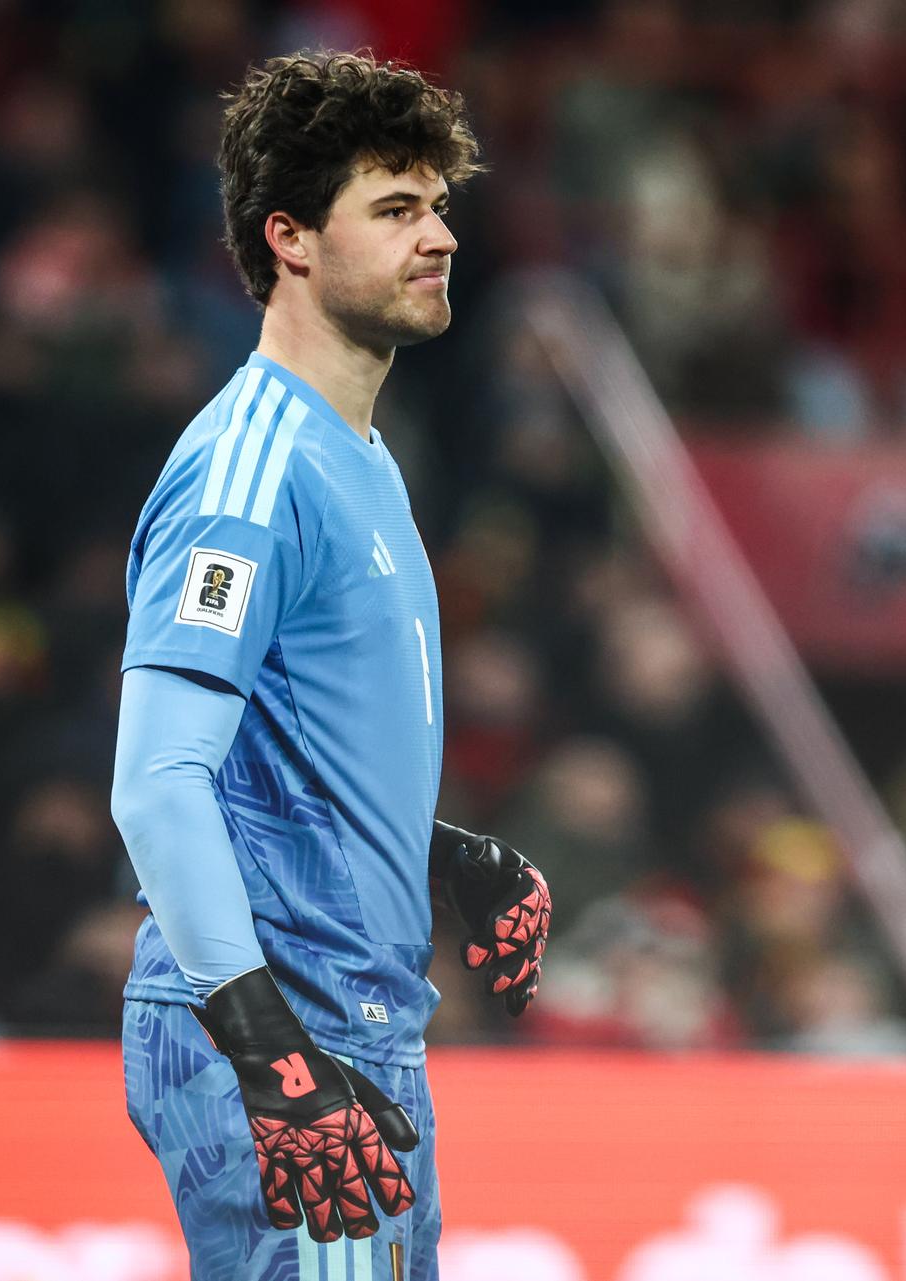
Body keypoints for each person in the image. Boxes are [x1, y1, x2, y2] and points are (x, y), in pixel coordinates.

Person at [108, 52, 552, 1281]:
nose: (443, 237)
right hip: (285, 1031)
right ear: (291, 239)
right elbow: (156, 784)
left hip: (357, 1024)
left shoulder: (359, 457)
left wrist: (437, 853)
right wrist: (271, 1056)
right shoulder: (246, 473)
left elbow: (286, 765)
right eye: (397, 209)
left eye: (441, 207)